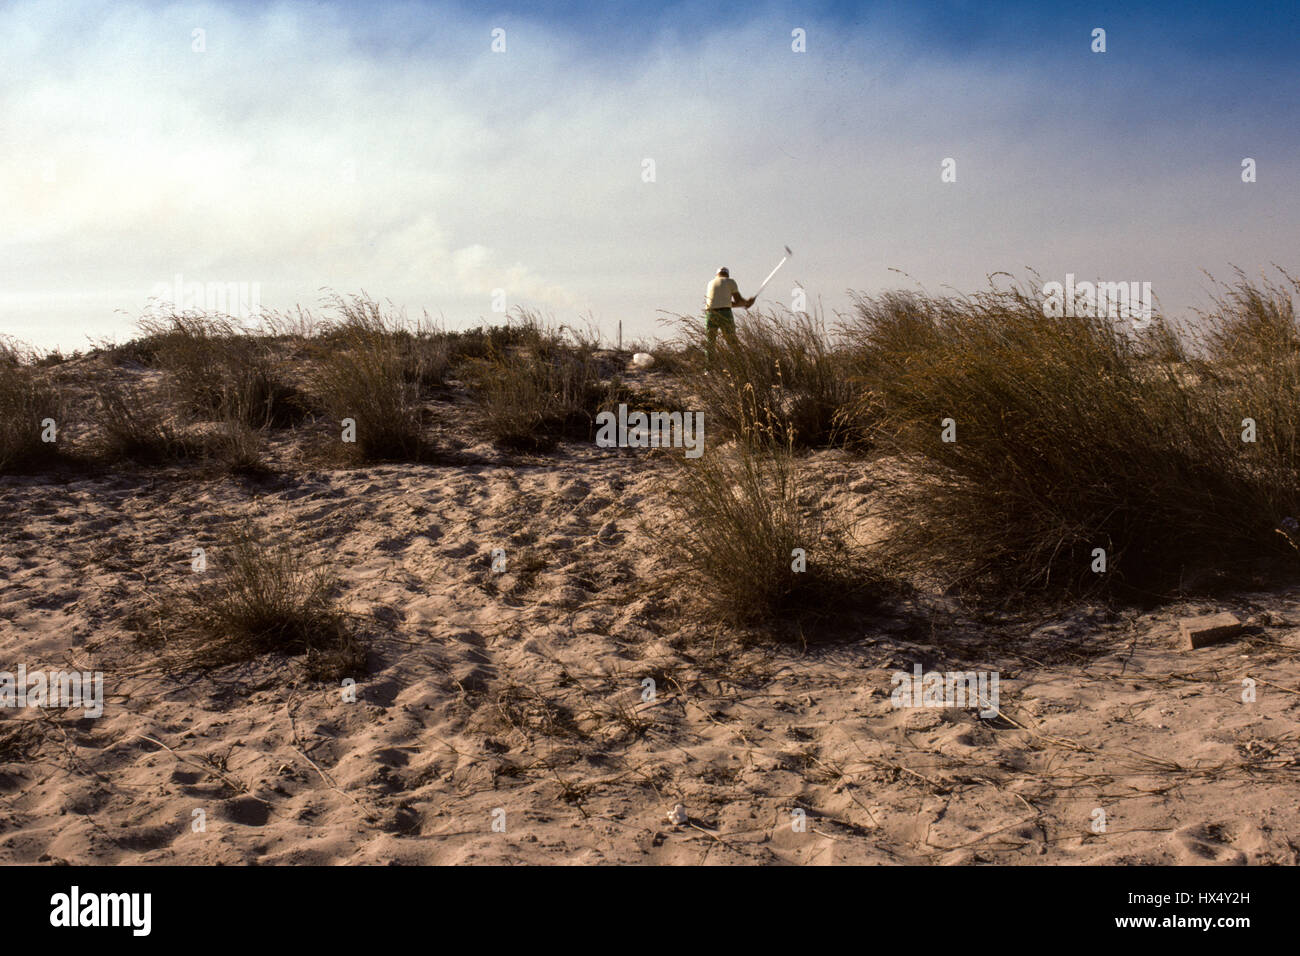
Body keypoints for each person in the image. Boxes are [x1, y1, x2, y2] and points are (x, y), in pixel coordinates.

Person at [704, 266, 755, 364]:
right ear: (727, 274)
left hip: (710, 313)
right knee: (732, 341)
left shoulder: (710, 283)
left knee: (710, 342)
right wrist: (747, 302)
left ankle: (709, 368)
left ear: (717, 275)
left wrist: (746, 303)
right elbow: (738, 301)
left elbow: (725, 302)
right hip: (725, 313)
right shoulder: (730, 281)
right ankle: (740, 364)